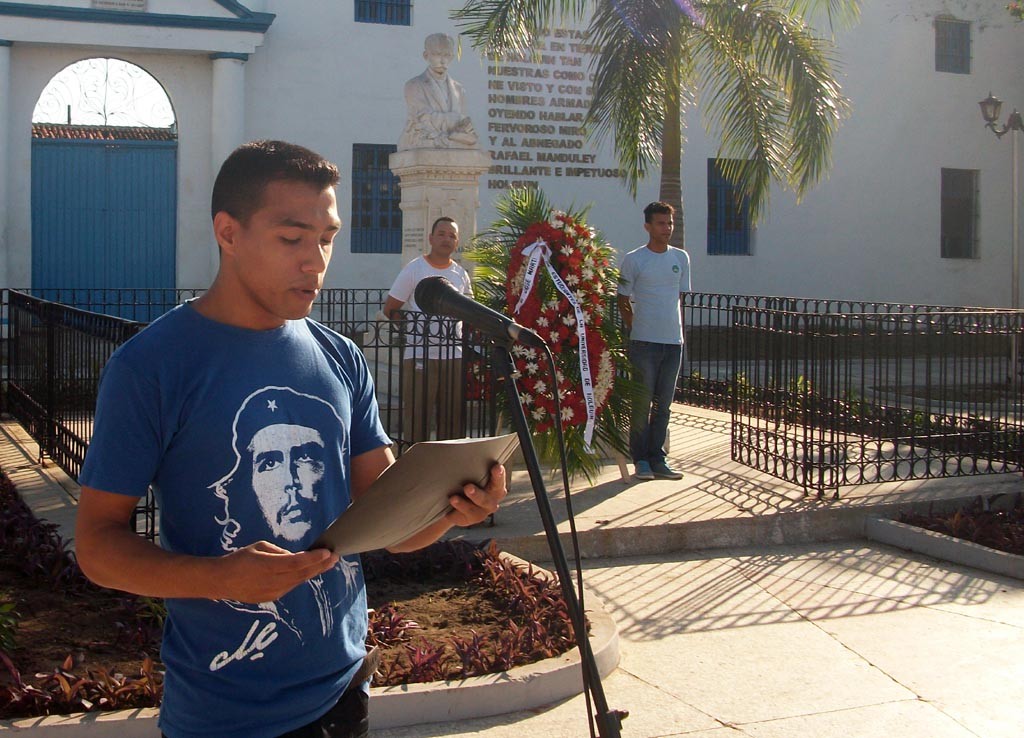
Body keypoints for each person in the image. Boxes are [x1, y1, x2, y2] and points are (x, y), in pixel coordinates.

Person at [73, 140, 506, 738]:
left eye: (326, 239)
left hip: (344, 690)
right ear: (228, 232)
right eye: (292, 238)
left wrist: (455, 508)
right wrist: (222, 578)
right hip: (225, 715)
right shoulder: (151, 366)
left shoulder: (341, 357)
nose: (316, 261)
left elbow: (389, 523)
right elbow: (96, 547)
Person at [616, 201, 691, 481]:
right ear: (648, 226)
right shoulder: (635, 259)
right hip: (644, 344)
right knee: (642, 403)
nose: (666, 228)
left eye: (669, 223)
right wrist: (636, 326)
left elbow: (679, 295)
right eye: (660, 223)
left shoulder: (680, 258)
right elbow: (622, 299)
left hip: (673, 342)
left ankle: (658, 458)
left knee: (663, 404)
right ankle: (641, 459)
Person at [383, 216, 472, 443]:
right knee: (417, 415)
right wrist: (415, 333)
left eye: (451, 235)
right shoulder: (415, 269)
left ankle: (447, 468)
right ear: (431, 238)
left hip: (453, 355)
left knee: (451, 417)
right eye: (441, 234)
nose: (446, 239)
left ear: (457, 241)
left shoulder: (461, 274)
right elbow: (391, 308)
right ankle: (416, 467)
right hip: (420, 354)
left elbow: (469, 310)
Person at [398, 33, 478, 150]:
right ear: (426, 56)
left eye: (447, 55)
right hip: (423, 142)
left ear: (452, 57)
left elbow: (464, 123)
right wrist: (455, 119)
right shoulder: (414, 85)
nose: (442, 60)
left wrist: (461, 125)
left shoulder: (459, 89)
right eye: (437, 54)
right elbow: (425, 118)